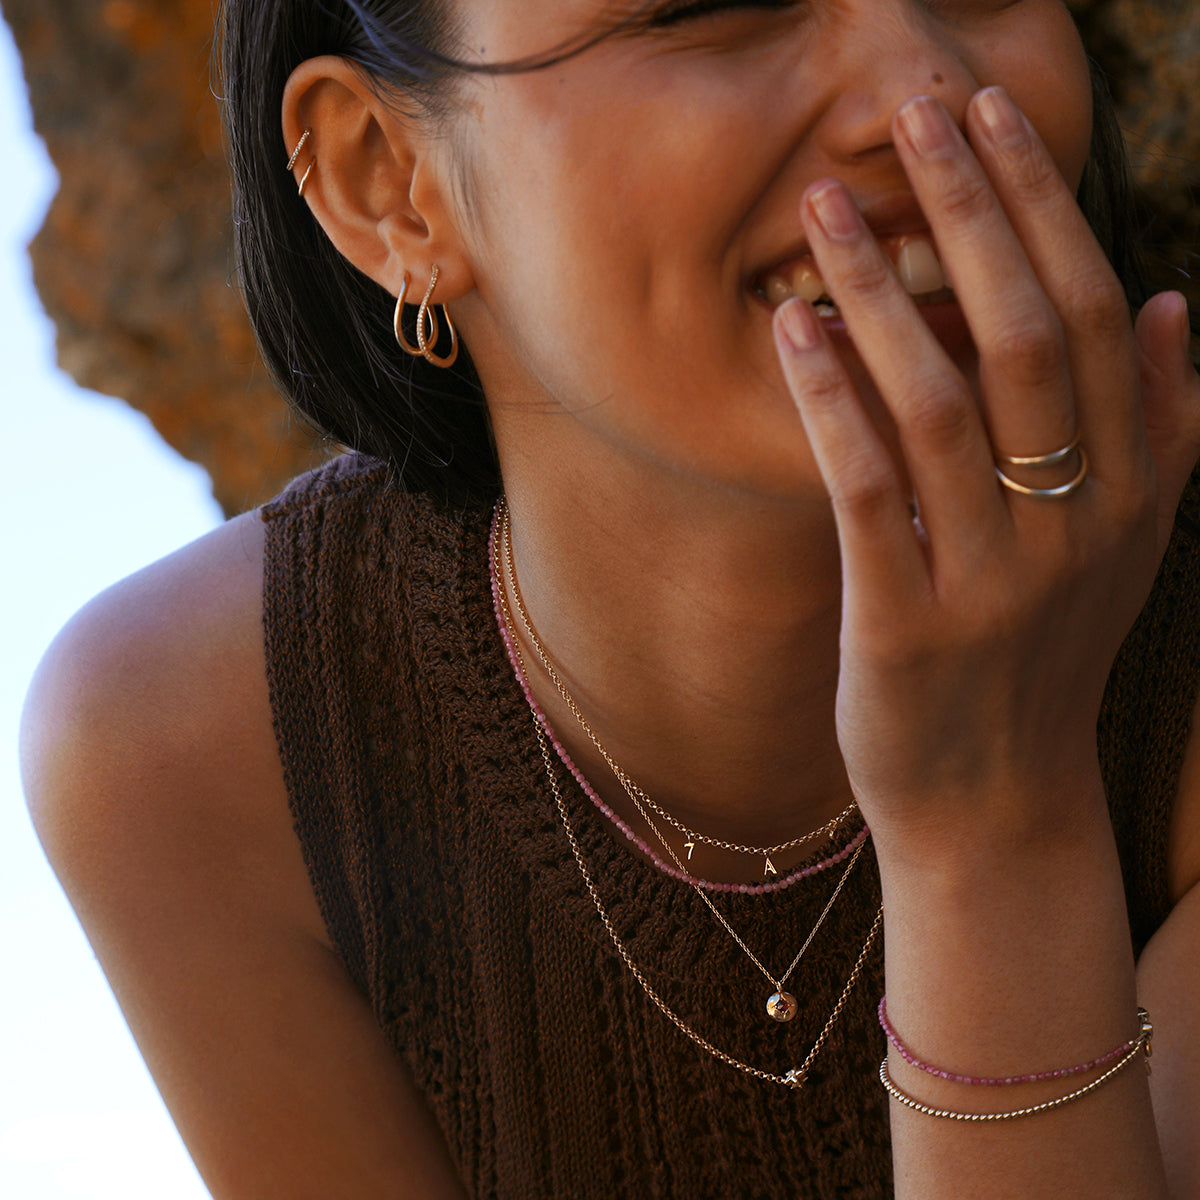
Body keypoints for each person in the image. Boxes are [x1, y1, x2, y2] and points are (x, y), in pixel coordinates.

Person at [19, 0, 1200, 1195]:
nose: (919, 88)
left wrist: (994, 823)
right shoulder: (210, 752)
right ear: (390, 183)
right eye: (716, 10)